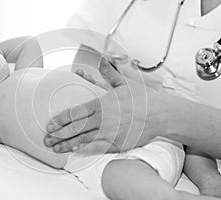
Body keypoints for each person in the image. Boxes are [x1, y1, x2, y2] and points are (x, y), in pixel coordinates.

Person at [0, 26, 218, 200]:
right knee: (122, 182)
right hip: (103, 157)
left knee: (181, 120)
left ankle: (210, 181)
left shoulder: (27, 67)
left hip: (150, 122)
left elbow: (30, 42)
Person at [43, 0, 221, 197]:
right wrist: (98, 93)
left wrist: (161, 115)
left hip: (198, 145)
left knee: (131, 174)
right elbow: (90, 56)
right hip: (115, 121)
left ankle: (209, 180)